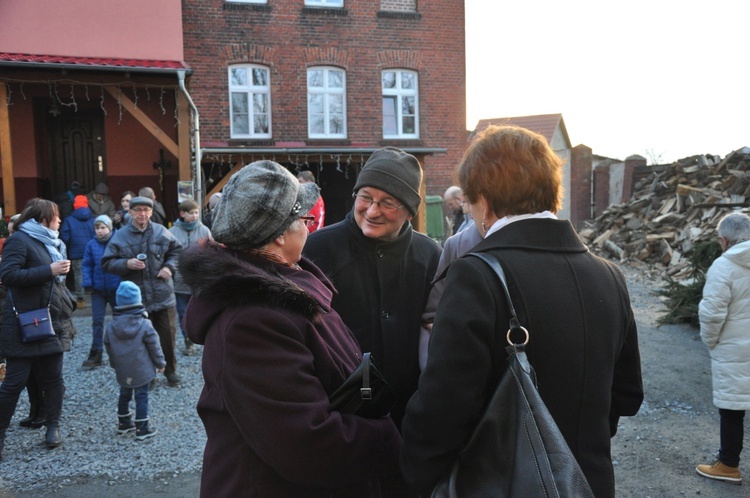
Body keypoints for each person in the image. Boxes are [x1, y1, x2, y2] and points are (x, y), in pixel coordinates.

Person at [399, 125, 644, 498]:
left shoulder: (476, 273)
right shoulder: (609, 275)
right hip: (588, 484)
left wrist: (416, 478)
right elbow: (627, 396)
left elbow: (442, 411)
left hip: (503, 484)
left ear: (485, 199)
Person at [180, 160, 402, 496]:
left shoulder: (281, 292)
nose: (309, 229)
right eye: (304, 220)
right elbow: (306, 442)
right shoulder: (254, 321)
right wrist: (389, 437)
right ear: (280, 234)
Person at [304, 147, 441, 496]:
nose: (373, 210)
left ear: (410, 211)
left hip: (408, 420)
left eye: (388, 202)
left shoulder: (430, 256)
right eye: (365, 197)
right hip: (340, 421)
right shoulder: (317, 250)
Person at [0, 198, 76, 458]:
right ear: (43, 218)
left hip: (52, 320)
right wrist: (49, 270)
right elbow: (8, 275)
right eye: (56, 216)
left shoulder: (51, 241)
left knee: (54, 380)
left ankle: (52, 427)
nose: (60, 220)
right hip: (24, 322)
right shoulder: (19, 240)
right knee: (14, 382)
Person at [101, 196, 183, 387]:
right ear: (130, 213)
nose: (142, 214)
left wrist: (169, 268)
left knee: (167, 337)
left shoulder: (162, 232)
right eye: (137, 210)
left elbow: (177, 252)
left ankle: (171, 371)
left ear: (151, 212)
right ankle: (148, 374)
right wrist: (126, 263)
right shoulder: (120, 236)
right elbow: (106, 263)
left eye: (146, 210)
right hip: (136, 298)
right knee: (141, 339)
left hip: (162, 294)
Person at [695, 212, 750, 484]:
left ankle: (728, 465)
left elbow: (712, 314)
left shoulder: (724, 266)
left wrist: (711, 341)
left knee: (732, 408)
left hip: (734, 349)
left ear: (724, 239)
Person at [104, 281, 166, 441]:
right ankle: (142, 428)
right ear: (138, 302)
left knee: (124, 393)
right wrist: (160, 363)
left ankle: (124, 423)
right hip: (142, 369)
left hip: (123, 369)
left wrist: (113, 363)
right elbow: (154, 346)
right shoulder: (145, 324)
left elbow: (109, 347)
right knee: (141, 396)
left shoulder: (111, 326)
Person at [168, 199, 212, 355]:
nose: (195, 216)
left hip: (198, 280)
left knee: (200, 309)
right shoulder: (172, 232)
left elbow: (211, 253)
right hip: (179, 280)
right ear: (182, 214)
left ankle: (201, 336)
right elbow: (169, 254)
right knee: (182, 311)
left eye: (196, 213)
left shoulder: (205, 231)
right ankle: (187, 339)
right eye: (191, 213)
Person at [81, 215, 121, 369]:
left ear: (110, 228)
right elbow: (87, 265)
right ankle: (96, 352)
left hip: (116, 288)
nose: (99, 231)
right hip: (98, 289)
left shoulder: (118, 241)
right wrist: (88, 283)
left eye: (103, 227)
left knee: (120, 321)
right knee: (97, 321)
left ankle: (120, 352)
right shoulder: (91, 244)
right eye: (97, 228)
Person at [60, 195, 95, 309]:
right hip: (92, 251)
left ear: (74, 205)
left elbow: (65, 236)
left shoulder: (68, 219)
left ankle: (80, 299)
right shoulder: (93, 219)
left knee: (78, 274)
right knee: (92, 272)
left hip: (76, 252)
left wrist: (69, 247)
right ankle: (94, 296)